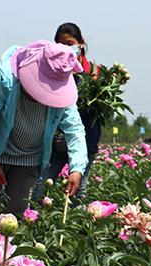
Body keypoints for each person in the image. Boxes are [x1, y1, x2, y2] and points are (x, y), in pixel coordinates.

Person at [0, 40, 89, 225]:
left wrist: (76, 169)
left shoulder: (62, 90)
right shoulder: (4, 78)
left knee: (16, 221)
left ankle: (8, 254)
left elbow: (74, 130)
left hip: (29, 161)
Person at [34, 22, 102, 202]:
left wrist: (98, 85)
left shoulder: (95, 72)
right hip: (57, 141)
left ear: (80, 43)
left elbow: (102, 111)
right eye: (60, 45)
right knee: (41, 186)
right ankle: (34, 218)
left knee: (79, 192)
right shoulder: (56, 72)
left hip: (86, 140)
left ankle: (79, 227)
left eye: (69, 44)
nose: (65, 49)